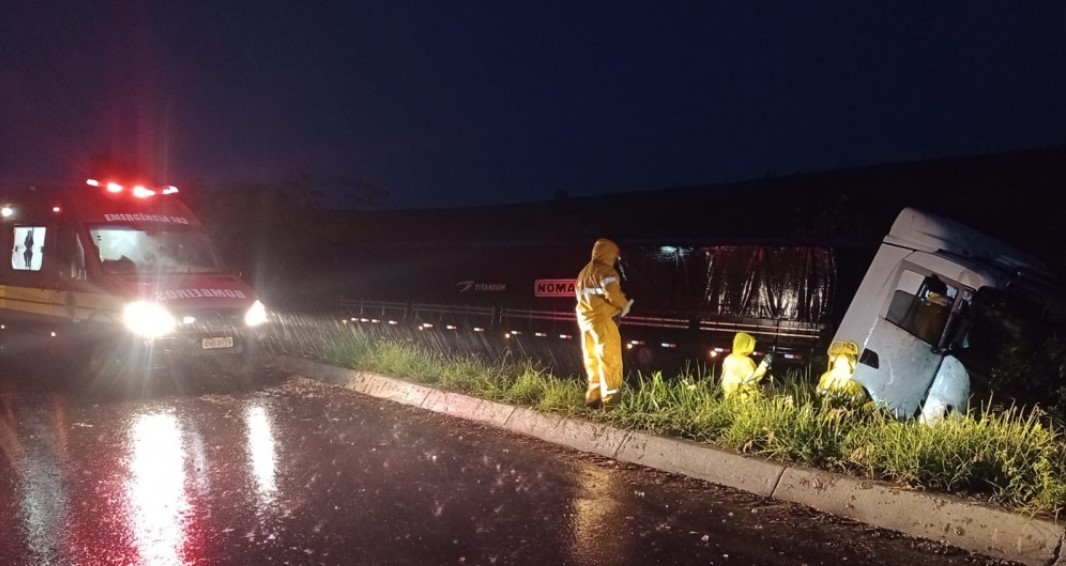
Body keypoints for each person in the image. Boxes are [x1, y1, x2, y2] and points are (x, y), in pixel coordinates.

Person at [575, 238, 633, 409]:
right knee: (610, 360)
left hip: (585, 321)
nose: (615, 259)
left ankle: (594, 399)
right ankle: (611, 403)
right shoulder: (606, 271)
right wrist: (625, 305)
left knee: (592, 360)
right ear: (609, 253)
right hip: (603, 320)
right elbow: (613, 294)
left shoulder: (583, 272)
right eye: (615, 255)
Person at [720, 332, 772, 400]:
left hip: (727, 394)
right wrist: (764, 365)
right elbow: (752, 380)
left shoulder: (728, 358)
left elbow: (723, 376)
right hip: (742, 398)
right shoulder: (746, 361)